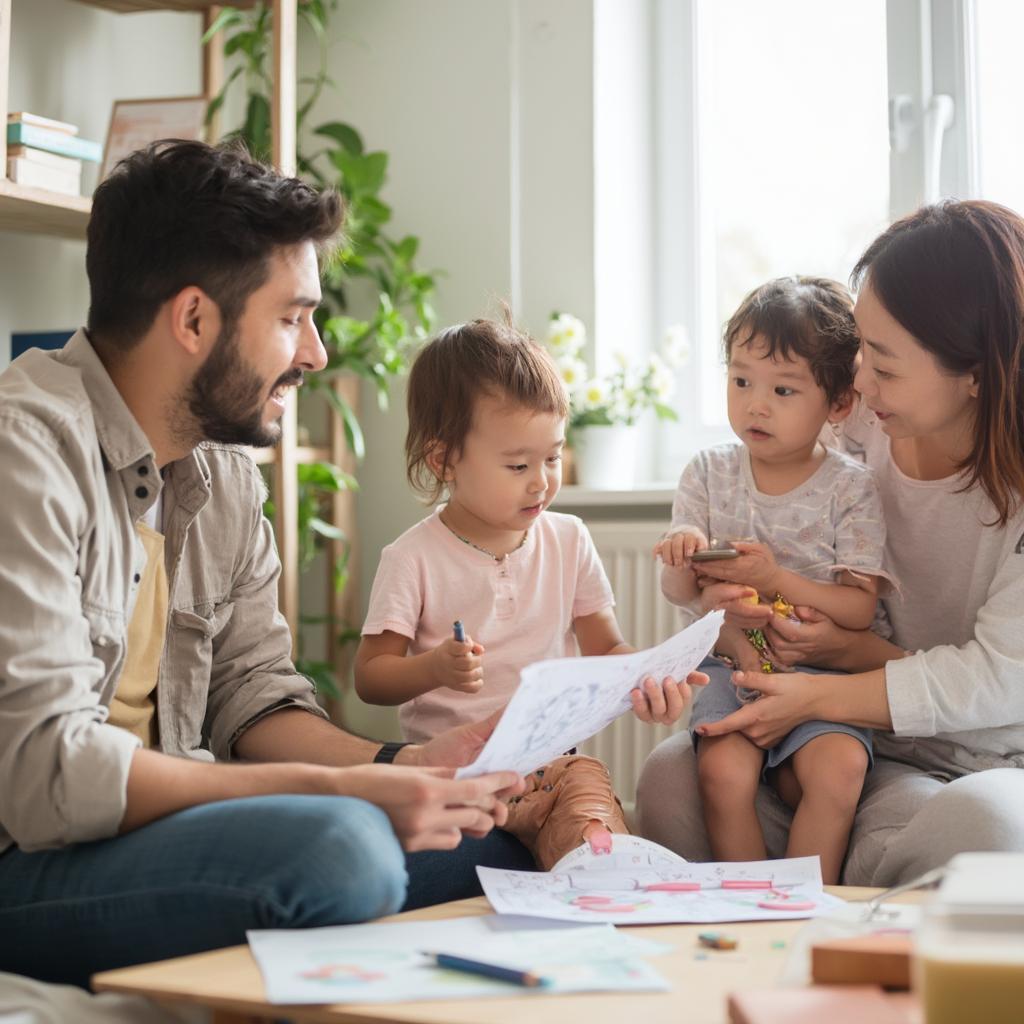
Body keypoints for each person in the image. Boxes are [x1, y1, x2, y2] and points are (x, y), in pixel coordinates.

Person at [0, 140, 531, 990]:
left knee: (491, 842)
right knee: (341, 849)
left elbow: (251, 694)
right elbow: (49, 776)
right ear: (195, 320)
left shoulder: (222, 474)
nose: (316, 353)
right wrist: (342, 793)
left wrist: (401, 770)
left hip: (145, 844)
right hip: (30, 858)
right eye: (293, 317)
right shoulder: (23, 452)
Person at [637, 200, 1024, 886]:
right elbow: (753, 583)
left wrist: (823, 688)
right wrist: (742, 622)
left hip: (981, 763)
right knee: (673, 778)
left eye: (883, 363)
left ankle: (846, 895)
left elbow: (998, 678)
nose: (858, 385)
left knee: (987, 826)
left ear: (975, 373)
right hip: (870, 745)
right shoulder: (855, 430)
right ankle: (819, 902)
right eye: (857, 355)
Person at [353, 318, 707, 867]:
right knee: (417, 864)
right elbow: (370, 677)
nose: (541, 480)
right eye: (519, 465)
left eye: (552, 457)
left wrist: (651, 677)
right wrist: (434, 670)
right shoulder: (412, 557)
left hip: (555, 769)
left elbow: (606, 649)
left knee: (598, 838)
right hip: (460, 774)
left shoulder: (568, 539)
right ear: (443, 460)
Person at [654, 277, 892, 883]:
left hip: (826, 677)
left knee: (838, 770)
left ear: (838, 404)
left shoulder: (851, 486)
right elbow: (680, 597)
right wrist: (684, 568)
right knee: (721, 774)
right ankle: (751, 906)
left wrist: (775, 577)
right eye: (741, 381)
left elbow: (859, 611)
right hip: (730, 668)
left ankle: (807, 908)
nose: (755, 405)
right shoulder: (708, 472)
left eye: (783, 389)